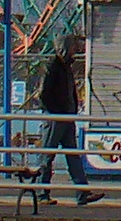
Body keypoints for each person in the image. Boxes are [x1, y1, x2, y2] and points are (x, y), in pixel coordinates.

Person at [26, 44, 97, 203]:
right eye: (72, 48)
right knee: (47, 156)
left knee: (72, 155)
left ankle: (82, 192)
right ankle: (42, 193)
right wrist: (56, 110)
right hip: (57, 118)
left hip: (66, 117)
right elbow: (44, 94)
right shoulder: (53, 67)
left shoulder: (64, 67)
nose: (74, 51)